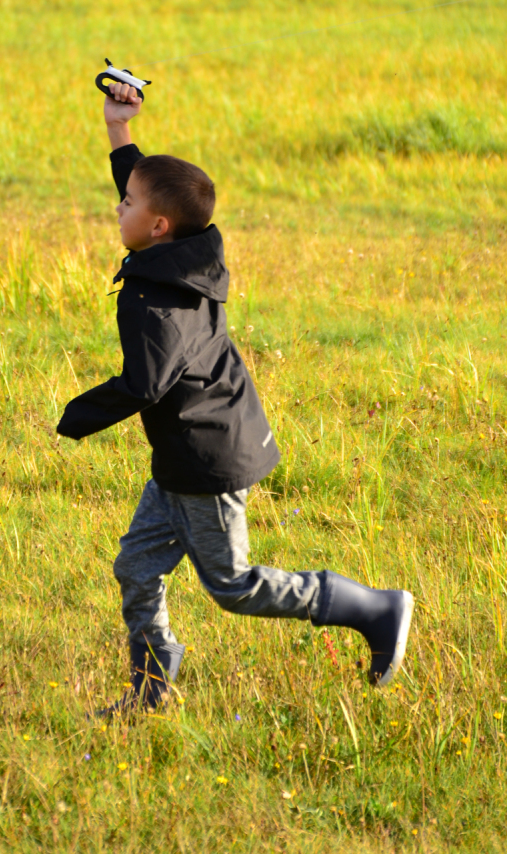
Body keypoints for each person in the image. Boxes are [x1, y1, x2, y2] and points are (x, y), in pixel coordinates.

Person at [57, 81, 413, 712]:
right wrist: (119, 130)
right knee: (136, 568)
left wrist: (74, 416)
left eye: (126, 202)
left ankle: (373, 609)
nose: (117, 206)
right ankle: (151, 688)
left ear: (157, 226)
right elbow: (150, 197)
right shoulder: (185, 252)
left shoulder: (156, 300)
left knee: (233, 584)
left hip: (206, 458)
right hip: (184, 449)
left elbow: (145, 384)